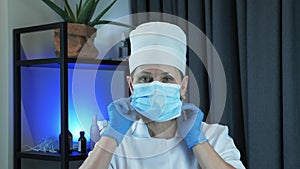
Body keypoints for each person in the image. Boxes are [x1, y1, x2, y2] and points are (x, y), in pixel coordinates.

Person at [80, 22, 245, 169]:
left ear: (183, 86)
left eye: (167, 79)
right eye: (146, 78)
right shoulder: (119, 143)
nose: (156, 87)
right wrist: (111, 136)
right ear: (131, 85)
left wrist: (199, 143)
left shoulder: (213, 136)